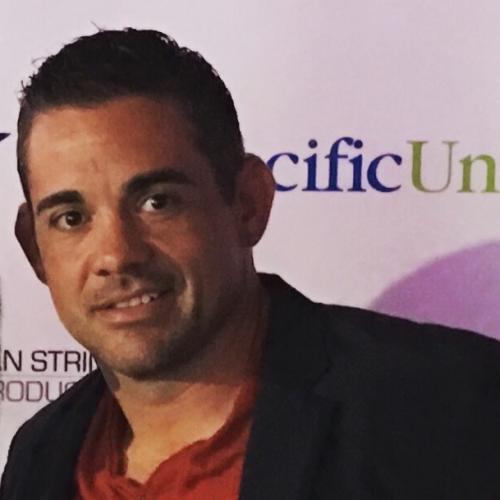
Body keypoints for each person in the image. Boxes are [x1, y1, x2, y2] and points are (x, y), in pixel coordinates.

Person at [2, 28, 500, 500]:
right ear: (34, 248)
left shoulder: (451, 409)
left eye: (157, 202)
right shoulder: (38, 458)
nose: (116, 255)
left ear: (248, 203)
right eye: (71, 218)